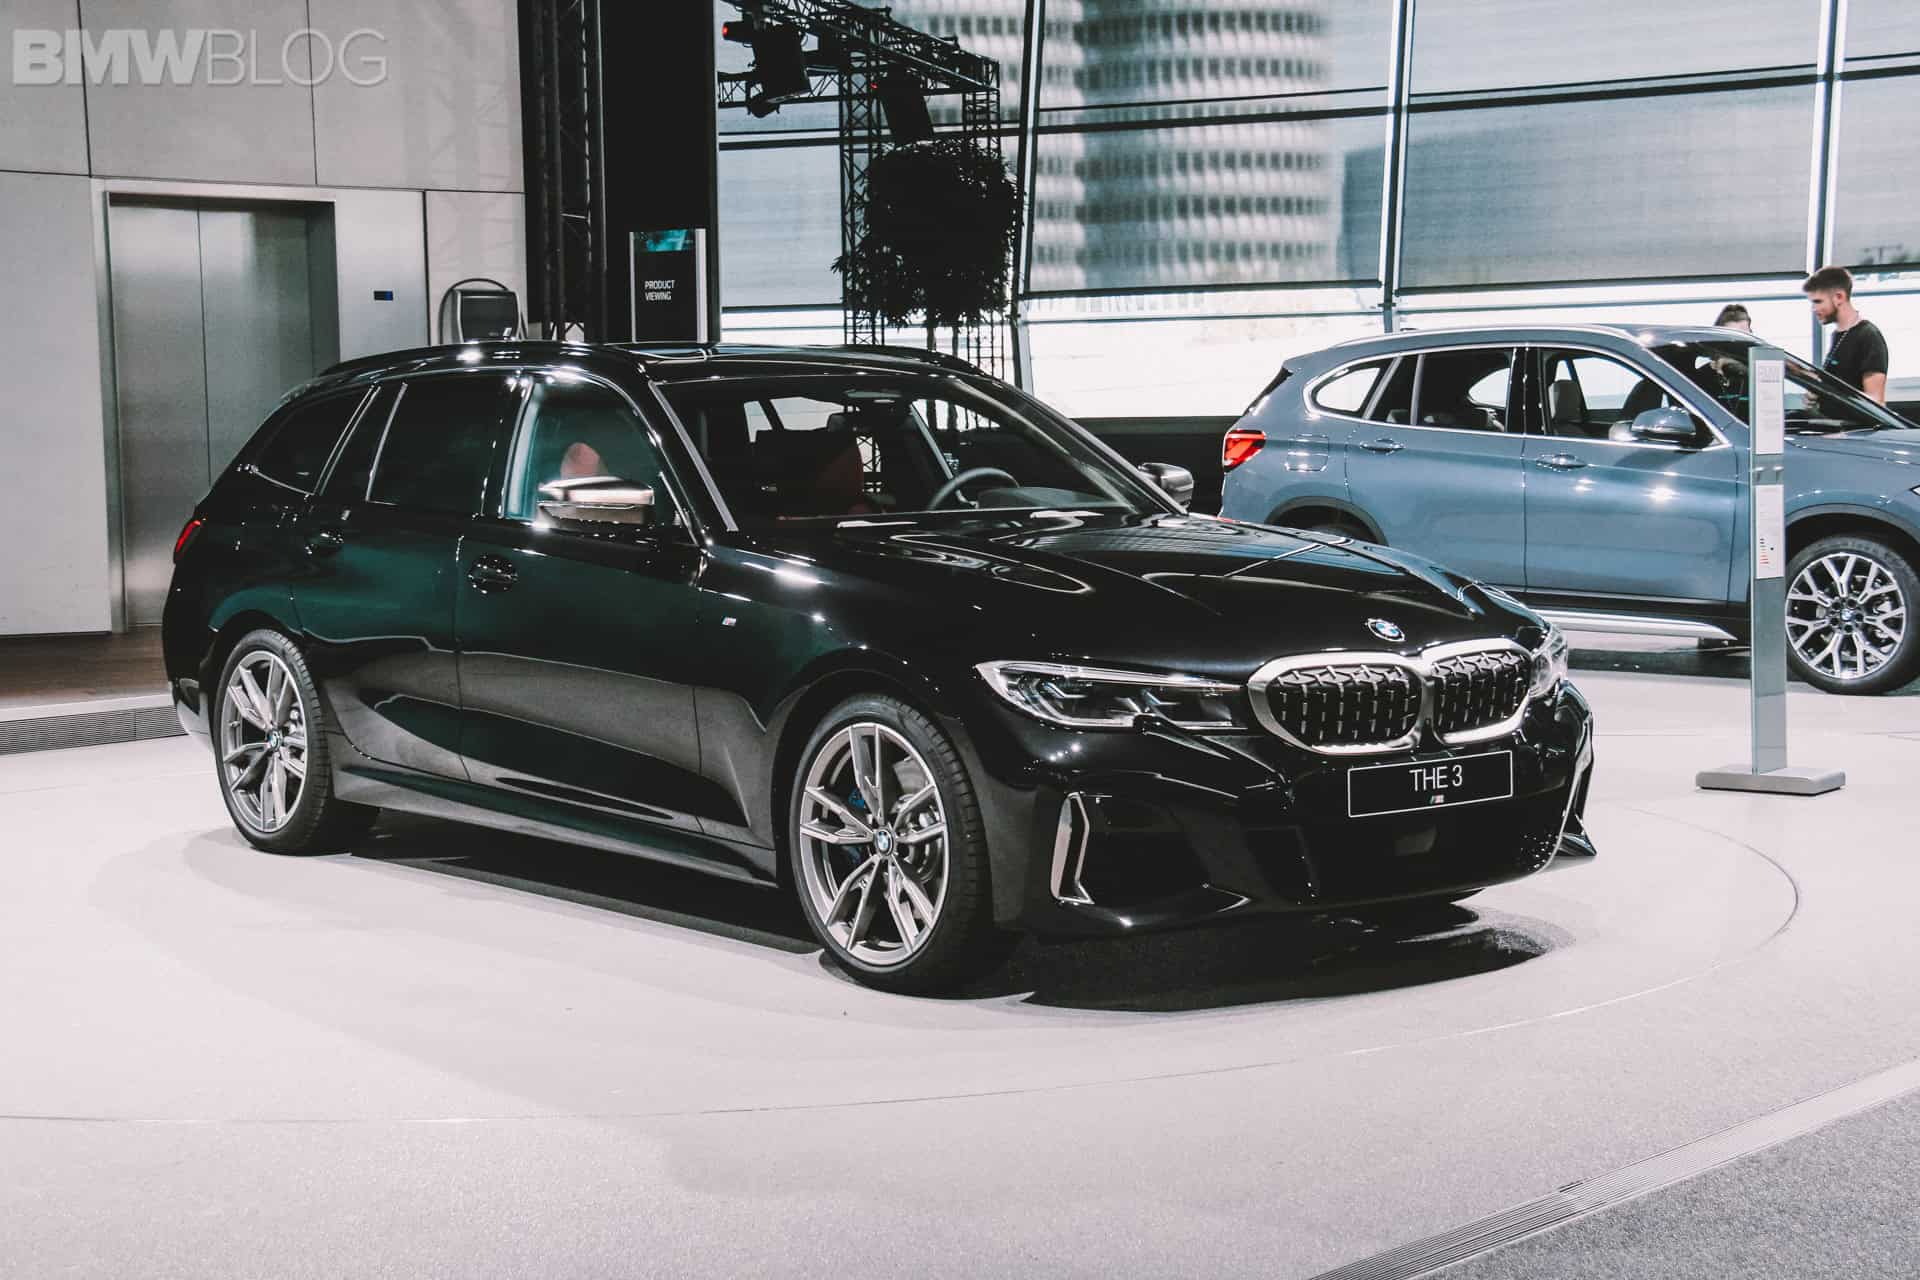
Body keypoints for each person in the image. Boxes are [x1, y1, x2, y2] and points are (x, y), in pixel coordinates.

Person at [1804, 266, 1889, 404]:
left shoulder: (1868, 336)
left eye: (1818, 302)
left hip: (1851, 419)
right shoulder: (1838, 335)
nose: (1814, 309)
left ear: (1839, 297)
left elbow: (1876, 400)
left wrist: (1828, 393)